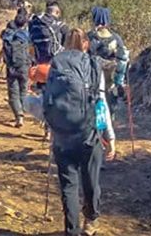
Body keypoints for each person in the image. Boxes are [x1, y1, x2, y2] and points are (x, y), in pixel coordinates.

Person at [44, 28, 115, 236]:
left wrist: (51, 127)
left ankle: (72, 231)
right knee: (91, 181)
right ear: (85, 44)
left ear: (66, 44)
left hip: (62, 136)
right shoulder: (93, 65)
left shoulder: (56, 64)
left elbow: (48, 99)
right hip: (88, 134)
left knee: (68, 185)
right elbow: (101, 104)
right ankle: (91, 221)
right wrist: (109, 136)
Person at [87, 6, 130, 116]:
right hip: (111, 80)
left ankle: (98, 129)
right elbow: (123, 59)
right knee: (111, 107)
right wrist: (120, 81)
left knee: (94, 107)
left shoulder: (90, 37)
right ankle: (109, 125)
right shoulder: (116, 38)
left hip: (93, 79)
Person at [0, 9, 32, 127]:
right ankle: (22, 110)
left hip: (11, 67)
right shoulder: (27, 35)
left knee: (13, 92)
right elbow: (31, 50)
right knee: (23, 90)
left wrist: (0, 56)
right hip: (24, 66)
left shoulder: (7, 34)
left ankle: (18, 116)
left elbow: (4, 47)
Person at [29, 0, 70, 65]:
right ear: (57, 12)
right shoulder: (62, 27)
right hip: (55, 64)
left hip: (38, 64)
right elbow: (67, 47)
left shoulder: (34, 23)